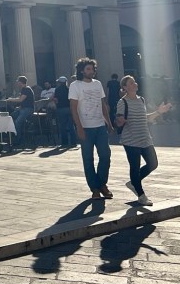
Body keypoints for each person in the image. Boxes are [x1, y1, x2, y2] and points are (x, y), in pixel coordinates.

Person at [115, 74, 172, 206]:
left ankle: (133, 182)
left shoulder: (141, 100)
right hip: (130, 140)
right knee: (134, 167)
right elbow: (119, 120)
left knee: (153, 163)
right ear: (125, 87)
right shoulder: (122, 102)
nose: (135, 84)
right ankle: (141, 195)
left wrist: (159, 112)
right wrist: (120, 121)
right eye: (131, 83)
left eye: (134, 82)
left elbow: (146, 118)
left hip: (145, 138)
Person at [69, 57, 114, 199]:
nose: (91, 71)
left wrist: (109, 123)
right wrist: (79, 127)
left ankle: (102, 184)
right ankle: (94, 188)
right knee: (88, 159)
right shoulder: (75, 85)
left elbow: (103, 105)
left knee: (105, 156)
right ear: (82, 71)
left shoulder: (98, 84)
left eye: (92, 69)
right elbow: (73, 108)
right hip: (85, 127)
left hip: (100, 126)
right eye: (88, 69)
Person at [11, 75, 35, 148]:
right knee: (11, 116)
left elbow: (21, 100)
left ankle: (18, 140)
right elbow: (24, 101)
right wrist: (19, 107)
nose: (17, 83)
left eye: (18, 82)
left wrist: (10, 99)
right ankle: (25, 125)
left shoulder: (26, 89)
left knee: (17, 122)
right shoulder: (24, 89)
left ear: (21, 82)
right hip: (23, 108)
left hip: (28, 109)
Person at [54, 76, 75, 148]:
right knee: (71, 126)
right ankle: (73, 142)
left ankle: (64, 143)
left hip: (60, 109)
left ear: (60, 83)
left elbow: (56, 100)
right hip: (69, 108)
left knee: (62, 126)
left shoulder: (57, 90)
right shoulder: (69, 89)